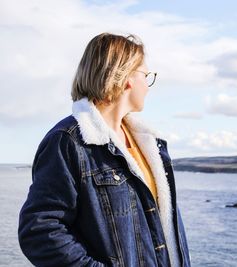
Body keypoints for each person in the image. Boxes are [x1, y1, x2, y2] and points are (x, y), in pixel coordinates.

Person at [18, 32, 191, 267]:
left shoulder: (148, 143)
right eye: (146, 75)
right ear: (127, 77)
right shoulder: (69, 142)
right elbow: (39, 230)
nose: (148, 85)